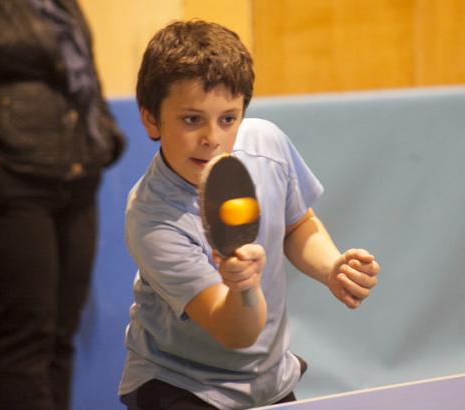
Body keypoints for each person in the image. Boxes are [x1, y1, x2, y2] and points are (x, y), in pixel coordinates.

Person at [118, 20, 380, 410]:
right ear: (151, 119)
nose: (212, 137)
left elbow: (297, 224)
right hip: (181, 383)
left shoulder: (266, 143)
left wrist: (330, 267)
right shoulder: (152, 218)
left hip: (267, 377)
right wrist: (243, 287)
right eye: (192, 119)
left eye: (228, 118)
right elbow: (234, 330)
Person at [0, 1, 126, 409]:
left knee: (60, 338)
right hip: (7, 183)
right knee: (24, 340)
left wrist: (105, 135)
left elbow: (82, 72)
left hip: (76, 175)